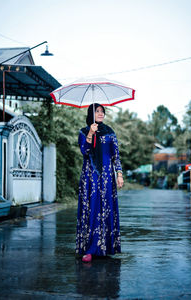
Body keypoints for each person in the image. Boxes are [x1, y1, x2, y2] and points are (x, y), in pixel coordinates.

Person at [75, 103, 124, 262]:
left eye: (102, 111)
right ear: (91, 114)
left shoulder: (110, 132)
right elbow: (85, 151)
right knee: (92, 208)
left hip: (107, 176)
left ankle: (106, 247)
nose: (101, 113)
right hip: (90, 176)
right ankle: (89, 249)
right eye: (97, 111)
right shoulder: (83, 131)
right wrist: (90, 132)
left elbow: (115, 155)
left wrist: (119, 174)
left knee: (106, 209)